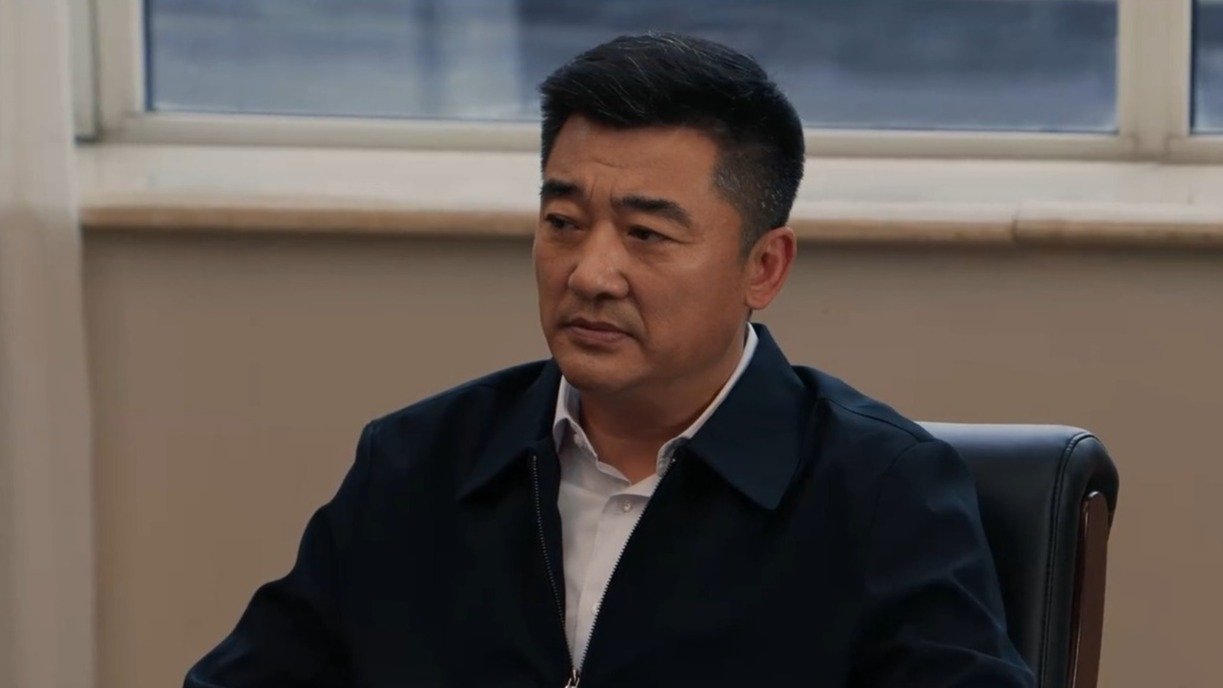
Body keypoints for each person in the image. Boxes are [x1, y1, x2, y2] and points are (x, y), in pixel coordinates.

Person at [185, 33, 1035, 687]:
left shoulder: (881, 494)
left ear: (763, 267)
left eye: (646, 234)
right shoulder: (417, 464)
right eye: (562, 223)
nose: (590, 273)